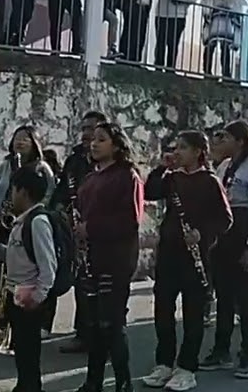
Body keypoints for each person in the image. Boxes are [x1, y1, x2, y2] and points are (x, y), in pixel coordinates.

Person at [143, 131, 231, 391]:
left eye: (183, 148)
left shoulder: (210, 181)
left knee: (193, 314)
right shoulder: (171, 179)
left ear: (197, 152)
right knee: (163, 310)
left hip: (195, 256)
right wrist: (161, 167)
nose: (177, 152)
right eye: (176, 147)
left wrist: (202, 233)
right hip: (169, 252)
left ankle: (187, 367)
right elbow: (149, 191)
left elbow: (225, 219)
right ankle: (164, 363)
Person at [199, 120, 248, 378]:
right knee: (224, 297)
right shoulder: (223, 167)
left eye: (226, 137)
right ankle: (221, 349)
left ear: (240, 141)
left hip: (243, 233)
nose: (220, 142)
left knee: (247, 299)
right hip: (223, 235)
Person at [74, 122, 145, 392]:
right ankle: (93, 382)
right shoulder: (90, 178)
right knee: (93, 325)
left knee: (111, 323)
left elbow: (131, 221)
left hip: (115, 260)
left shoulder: (128, 176)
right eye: (93, 139)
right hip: (91, 258)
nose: (94, 143)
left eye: (101, 139)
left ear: (116, 145)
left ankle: (123, 382)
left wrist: (90, 228)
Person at [54, 110, 105, 354]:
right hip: (76, 230)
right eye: (84, 128)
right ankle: (82, 333)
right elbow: (63, 189)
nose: (86, 134)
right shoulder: (75, 160)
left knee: (102, 285)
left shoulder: (107, 161)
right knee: (81, 281)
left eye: (92, 129)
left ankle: (103, 335)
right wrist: (60, 212)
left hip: (101, 232)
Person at [3, 165, 59, 392]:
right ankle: (24, 385)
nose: (11, 196)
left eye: (13, 190)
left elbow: (48, 265)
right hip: (16, 295)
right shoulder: (21, 221)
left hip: (29, 300)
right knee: (22, 352)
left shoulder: (38, 222)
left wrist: (38, 297)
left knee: (29, 351)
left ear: (23, 192)